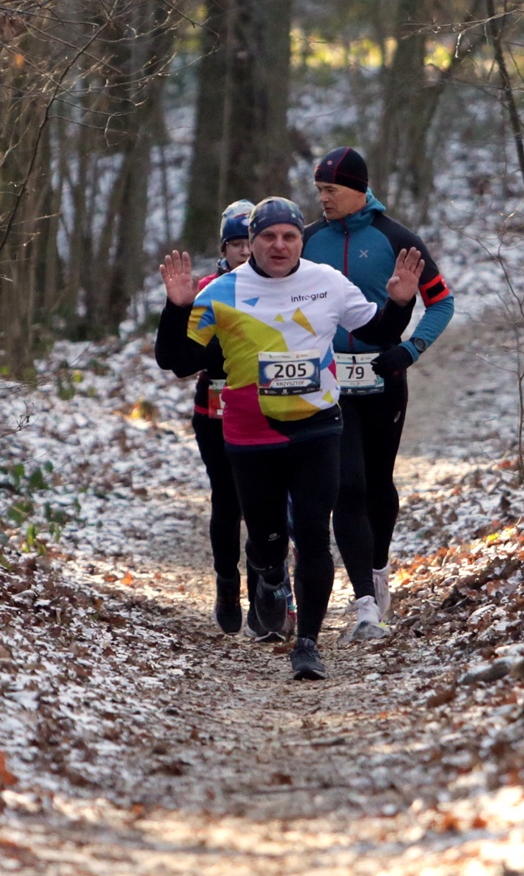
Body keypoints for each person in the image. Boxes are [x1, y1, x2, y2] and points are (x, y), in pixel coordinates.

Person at [157, 197, 422, 680]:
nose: (279, 245)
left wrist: (401, 303)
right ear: (251, 243)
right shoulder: (221, 290)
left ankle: (307, 645)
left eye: (290, 236)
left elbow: (378, 332)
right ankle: (270, 573)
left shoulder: (327, 282)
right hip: (249, 432)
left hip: (318, 426)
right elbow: (176, 361)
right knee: (265, 540)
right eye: (267, 237)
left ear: (302, 239)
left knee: (316, 540)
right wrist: (176, 309)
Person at [302, 146, 455, 644]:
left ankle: (379, 568)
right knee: (346, 486)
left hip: (383, 377)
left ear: (358, 189)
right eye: (319, 190)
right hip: (328, 382)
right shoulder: (307, 240)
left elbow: (442, 301)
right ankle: (365, 601)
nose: (322, 198)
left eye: (331, 190)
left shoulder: (397, 239)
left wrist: (410, 349)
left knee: (376, 485)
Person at [152, 200, 257, 635]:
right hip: (214, 409)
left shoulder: (286, 287)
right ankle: (228, 582)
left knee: (269, 501)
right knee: (228, 498)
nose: (246, 253)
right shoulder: (209, 288)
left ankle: (271, 585)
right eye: (237, 244)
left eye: (253, 243)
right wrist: (177, 308)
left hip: (270, 406)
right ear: (225, 247)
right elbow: (176, 360)